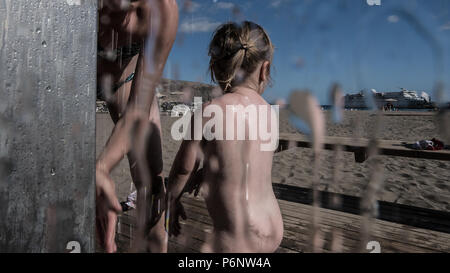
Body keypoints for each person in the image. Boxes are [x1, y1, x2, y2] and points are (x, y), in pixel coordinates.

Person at [167, 21, 284, 252]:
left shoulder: (210, 111)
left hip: (237, 236)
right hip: (273, 227)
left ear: (215, 69)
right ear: (265, 70)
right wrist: (208, 172)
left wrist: (172, 200)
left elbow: (183, 168)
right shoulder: (270, 113)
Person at [95, 0, 178, 253]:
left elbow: (136, 112)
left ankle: (156, 243)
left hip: (123, 81)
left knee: (151, 185)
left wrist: (102, 168)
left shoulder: (162, 10)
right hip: (69, 78)